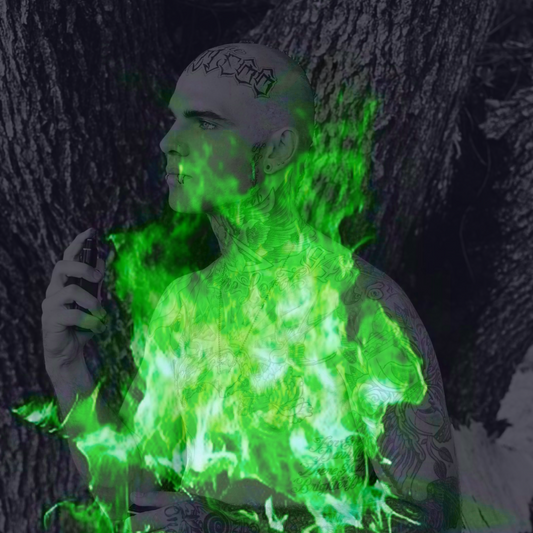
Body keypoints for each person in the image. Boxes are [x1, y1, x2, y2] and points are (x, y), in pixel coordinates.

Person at [42, 42, 461, 532]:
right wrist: (67, 367)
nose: (170, 142)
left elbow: (432, 519)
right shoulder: (184, 303)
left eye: (206, 123)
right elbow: (133, 492)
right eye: (176, 120)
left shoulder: (362, 307)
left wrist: (228, 528)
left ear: (278, 150)